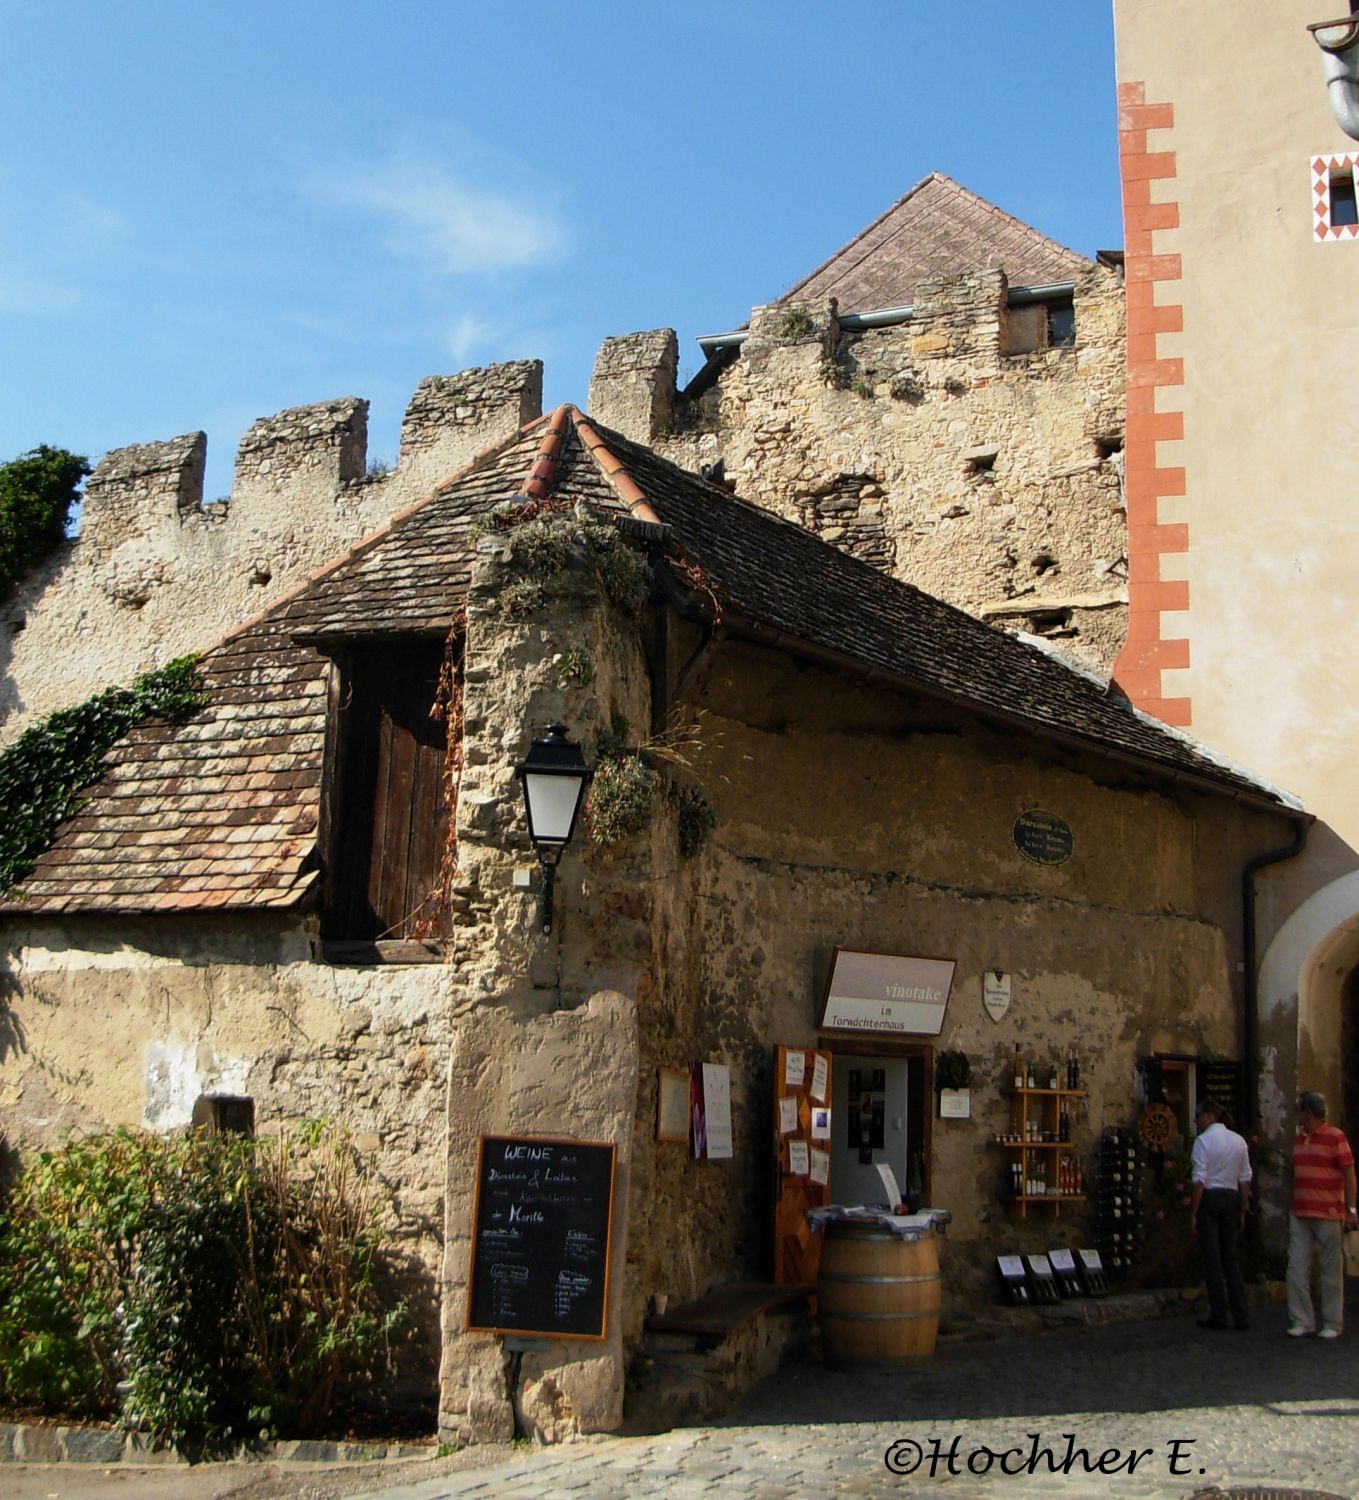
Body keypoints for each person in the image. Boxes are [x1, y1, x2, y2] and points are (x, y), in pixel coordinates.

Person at [1286, 1090, 1358, 1338]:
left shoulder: (1335, 1137)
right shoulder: (1299, 1139)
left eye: (1299, 1111)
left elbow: (1349, 1174)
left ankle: (1332, 1322)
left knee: (1330, 1269)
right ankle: (1301, 1320)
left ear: (1308, 1112)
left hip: (1328, 1212)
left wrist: (1351, 1209)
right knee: (1296, 1267)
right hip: (1300, 1211)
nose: (1297, 1116)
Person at [1189, 1099, 1252, 1330]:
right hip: (1232, 1195)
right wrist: (1242, 1209)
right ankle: (1241, 1314)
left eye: (1197, 1116)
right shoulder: (1238, 1141)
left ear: (1208, 1116)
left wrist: (1194, 1212)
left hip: (1211, 1196)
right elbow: (1245, 1178)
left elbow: (1199, 1180)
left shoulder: (1203, 1141)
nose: (1196, 1121)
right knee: (1231, 1258)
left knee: (1213, 1258)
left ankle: (1219, 1313)